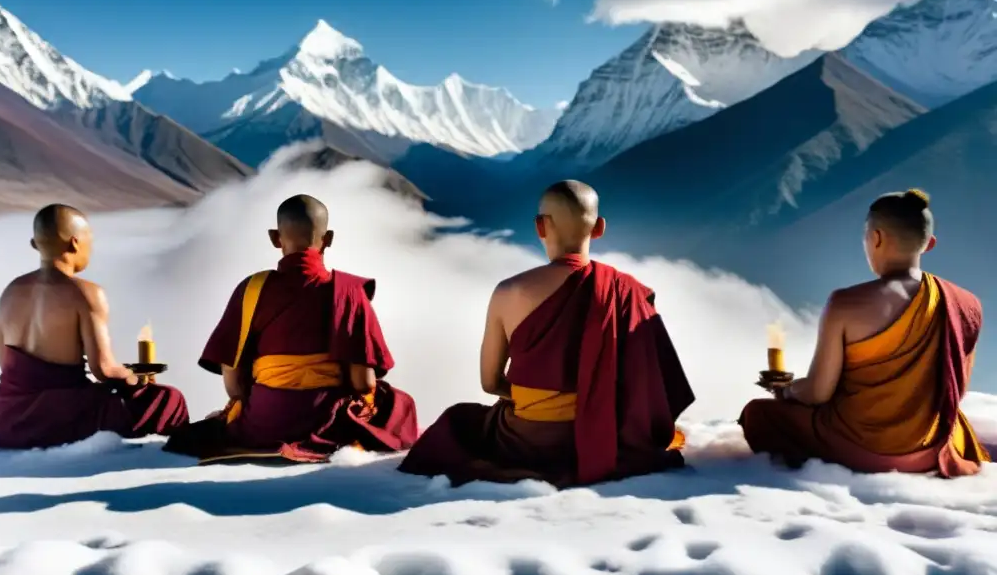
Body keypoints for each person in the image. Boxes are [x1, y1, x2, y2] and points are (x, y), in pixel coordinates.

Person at [398, 180, 694, 487]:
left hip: (525, 437)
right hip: (604, 438)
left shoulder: (509, 291)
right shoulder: (627, 292)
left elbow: (490, 383)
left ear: (541, 227)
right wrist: (596, 402)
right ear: (599, 228)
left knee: (459, 421)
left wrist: (541, 401)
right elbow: (656, 384)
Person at [740, 189, 989, 477]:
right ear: (929, 244)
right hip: (930, 449)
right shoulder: (966, 303)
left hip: (858, 449)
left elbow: (819, 392)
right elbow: (957, 389)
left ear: (876, 238)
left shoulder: (845, 302)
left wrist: (787, 390)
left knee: (757, 414)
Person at [164, 194, 418, 463]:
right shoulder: (349, 292)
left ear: (275, 238)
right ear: (328, 238)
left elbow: (235, 384)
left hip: (262, 423)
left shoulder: (251, 289)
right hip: (328, 422)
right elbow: (362, 382)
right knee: (398, 403)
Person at [0, 204, 189, 449]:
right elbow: (103, 368)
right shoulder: (85, 293)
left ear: (35, 244)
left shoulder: (9, 292)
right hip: (57, 419)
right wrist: (134, 377)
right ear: (74, 243)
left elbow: (5, 364)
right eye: (89, 241)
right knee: (168, 399)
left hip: (10, 421)